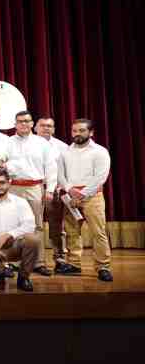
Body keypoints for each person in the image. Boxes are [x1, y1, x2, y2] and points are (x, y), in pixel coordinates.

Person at [56, 119, 112, 281]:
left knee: (98, 232)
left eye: (81, 130)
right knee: (72, 232)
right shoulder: (65, 151)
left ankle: (103, 266)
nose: (77, 134)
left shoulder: (100, 151)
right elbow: (61, 174)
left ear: (91, 132)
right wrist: (70, 190)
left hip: (92, 196)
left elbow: (100, 177)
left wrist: (81, 194)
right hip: (70, 196)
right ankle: (74, 264)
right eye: (74, 131)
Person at [5, 110, 57, 276]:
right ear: (15, 124)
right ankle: (15, 261)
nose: (24, 124)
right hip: (12, 188)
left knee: (37, 226)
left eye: (27, 121)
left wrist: (49, 190)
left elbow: (51, 167)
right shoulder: (8, 142)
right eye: (20, 121)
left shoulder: (42, 143)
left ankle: (39, 262)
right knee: (13, 225)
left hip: (35, 187)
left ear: (32, 124)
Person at [0, 168, 41, 292]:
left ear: (9, 183)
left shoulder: (20, 202)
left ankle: (23, 277)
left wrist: (9, 235)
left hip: (14, 245)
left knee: (33, 240)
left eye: (2, 182)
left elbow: (30, 225)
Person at [35, 116, 70, 266]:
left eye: (49, 126)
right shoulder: (29, 143)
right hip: (33, 188)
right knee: (31, 225)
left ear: (54, 129)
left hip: (54, 189)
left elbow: (68, 169)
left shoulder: (62, 147)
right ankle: (34, 259)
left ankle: (59, 257)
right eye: (42, 125)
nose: (46, 128)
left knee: (56, 225)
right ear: (35, 128)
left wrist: (63, 186)